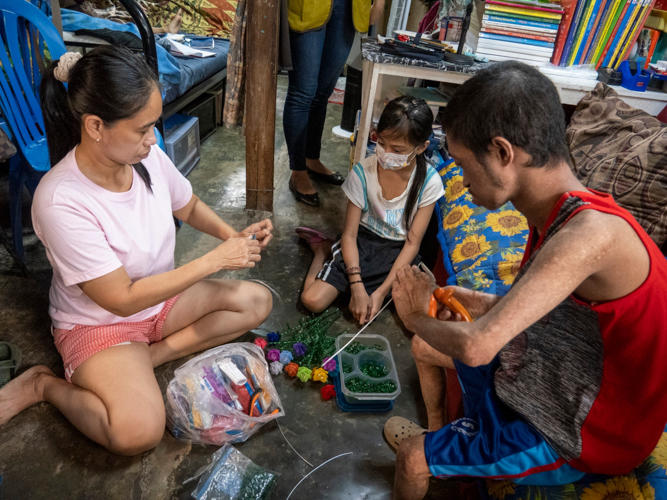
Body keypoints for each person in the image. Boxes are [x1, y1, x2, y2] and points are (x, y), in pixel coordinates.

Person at [386, 61, 667, 500]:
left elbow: (478, 347)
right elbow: (559, 315)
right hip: (561, 370)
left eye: (461, 163)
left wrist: (410, 314)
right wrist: (478, 300)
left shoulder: (589, 235)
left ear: (502, 153)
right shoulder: (559, 211)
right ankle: (450, 453)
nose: (459, 178)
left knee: (411, 458)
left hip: (588, 433)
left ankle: (433, 458)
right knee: (429, 346)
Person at [0, 46, 274, 456]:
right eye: (142, 129)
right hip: (100, 325)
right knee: (137, 433)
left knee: (256, 301)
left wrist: (234, 237)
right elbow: (121, 300)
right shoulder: (62, 200)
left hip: (159, 302)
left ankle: (152, 355)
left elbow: (189, 205)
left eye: (153, 126)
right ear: (95, 126)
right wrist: (214, 261)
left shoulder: (146, 158)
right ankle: (44, 385)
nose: (153, 139)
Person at [298, 97, 444, 324]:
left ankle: (365, 283)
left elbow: (412, 244)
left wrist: (381, 292)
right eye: (382, 142)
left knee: (420, 315)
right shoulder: (362, 173)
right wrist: (356, 285)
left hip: (399, 253)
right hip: (362, 245)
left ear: (422, 147)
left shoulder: (429, 182)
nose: (386, 153)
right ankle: (323, 251)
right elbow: (350, 234)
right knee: (312, 301)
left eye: (397, 149)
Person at [285, 0, 385, 207]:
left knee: (322, 93)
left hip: (349, 8)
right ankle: (298, 171)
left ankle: (311, 159)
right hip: (309, 6)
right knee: (303, 93)